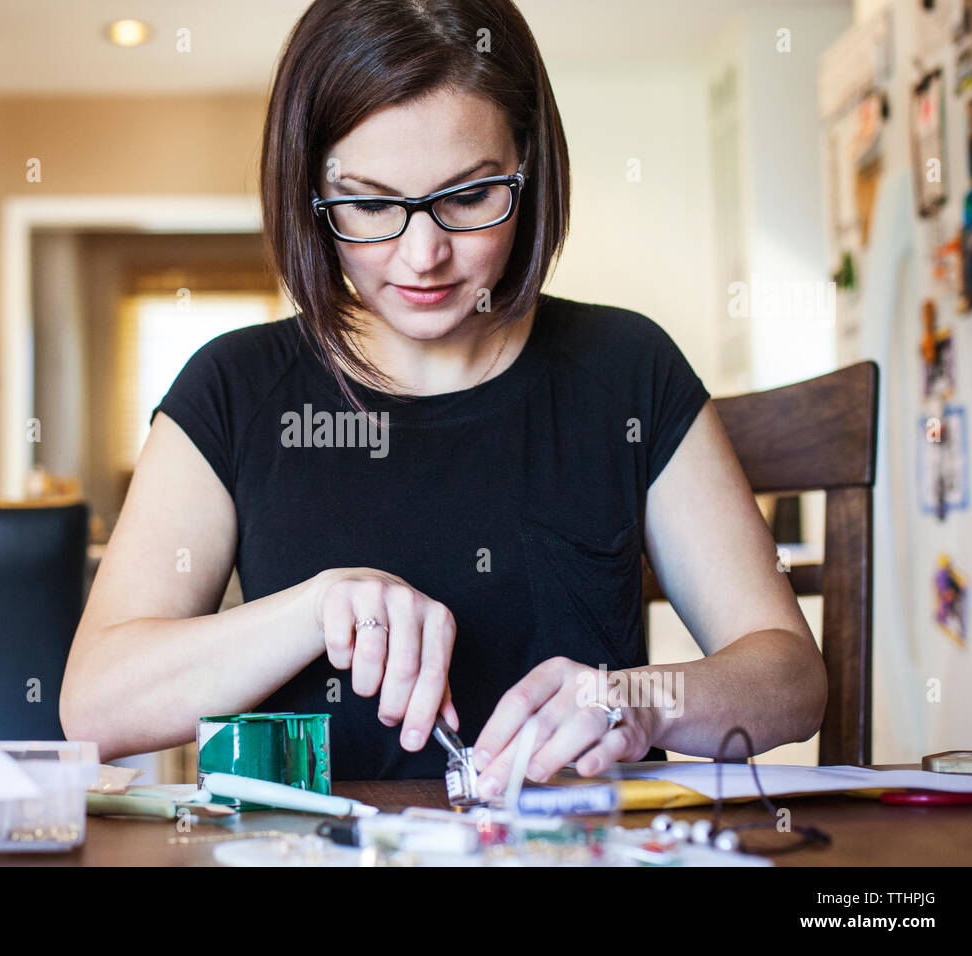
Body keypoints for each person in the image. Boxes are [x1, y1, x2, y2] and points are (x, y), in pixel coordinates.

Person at [60, 0, 826, 798]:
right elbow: (96, 704)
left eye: (467, 198)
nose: (423, 255)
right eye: (370, 204)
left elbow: (791, 677)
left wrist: (637, 700)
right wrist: (318, 608)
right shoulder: (231, 389)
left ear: (529, 169)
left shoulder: (628, 369)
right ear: (310, 194)